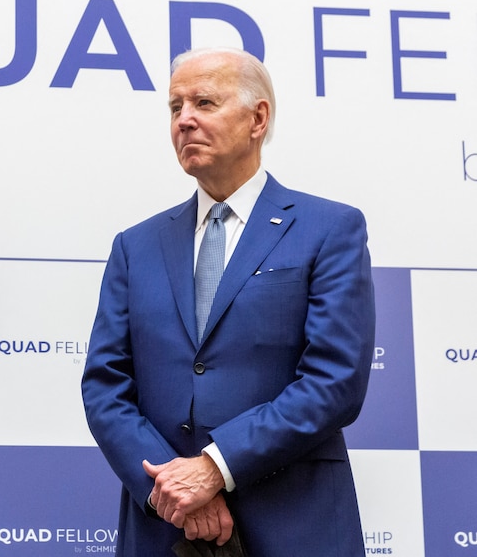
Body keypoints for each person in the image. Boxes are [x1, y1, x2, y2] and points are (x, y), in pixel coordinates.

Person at [81, 47, 375, 556]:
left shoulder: (330, 229)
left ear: (257, 118)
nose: (185, 120)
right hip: (164, 528)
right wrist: (173, 491)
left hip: (294, 523)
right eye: (175, 108)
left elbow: (336, 380)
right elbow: (106, 386)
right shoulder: (136, 246)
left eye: (204, 102)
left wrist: (216, 467)